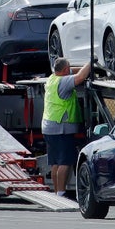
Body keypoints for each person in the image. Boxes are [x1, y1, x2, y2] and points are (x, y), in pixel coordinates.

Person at [42, 57, 91, 197]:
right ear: (64, 71)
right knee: (65, 162)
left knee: (55, 163)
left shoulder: (52, 79)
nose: (70, 70)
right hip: (61, 128)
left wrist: (86, 68)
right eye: (68, 69)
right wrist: (90, 62)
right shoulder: (63, 82)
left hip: (49, 126)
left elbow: (74, 71)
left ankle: (57, 192)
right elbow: (80, 76)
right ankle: (62, 192)